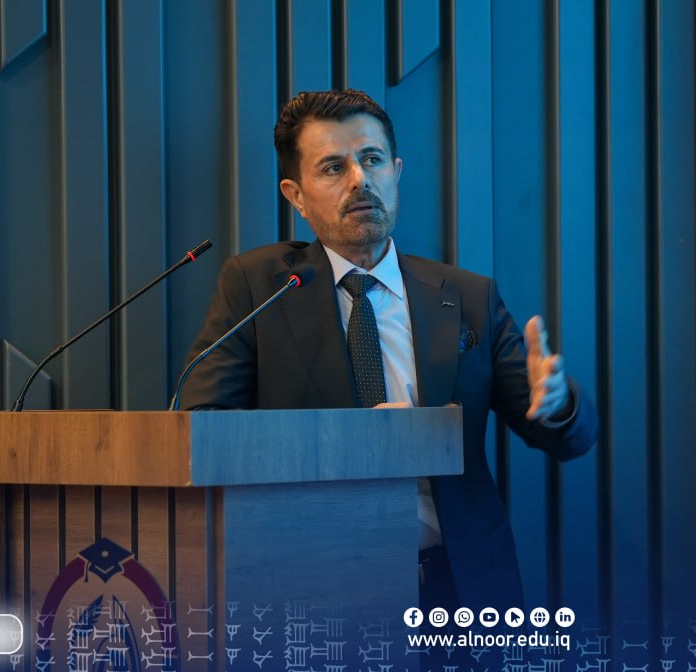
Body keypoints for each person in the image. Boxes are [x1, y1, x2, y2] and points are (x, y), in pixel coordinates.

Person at [179, 88, 598, 612]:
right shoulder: (258, 287)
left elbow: (565, 437)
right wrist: (356, 444)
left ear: (396, 172)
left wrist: (557, 403)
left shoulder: (467, 297)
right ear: (296, 195)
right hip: (312, 585)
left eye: (372, 159)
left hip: (457, 587)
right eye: (333, 167)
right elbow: (204, 427)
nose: (360, 179)